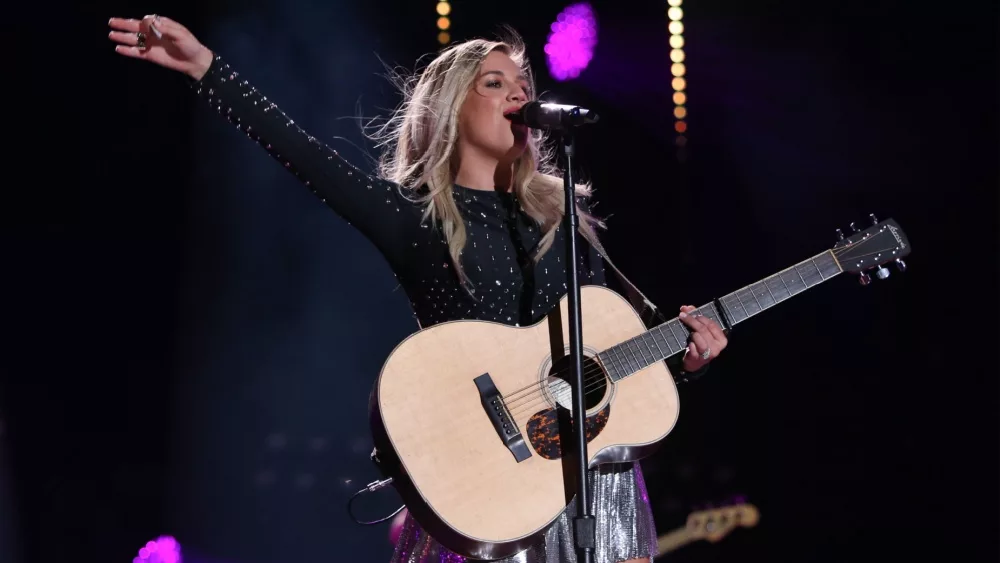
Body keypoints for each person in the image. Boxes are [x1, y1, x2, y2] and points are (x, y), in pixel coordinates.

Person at [107, 14, 730, 563]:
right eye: (495, 83)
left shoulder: (564, 220)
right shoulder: (416, 216)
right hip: (484, 480)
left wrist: (690, 356)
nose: (518, 93)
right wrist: (206, 68)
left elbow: (624, 347)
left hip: (596, 479)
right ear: (451, 107)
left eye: (524, 86)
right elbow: (304, 153)